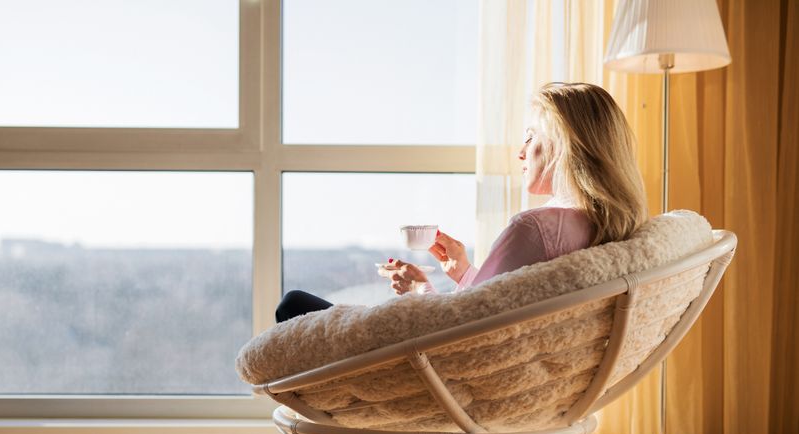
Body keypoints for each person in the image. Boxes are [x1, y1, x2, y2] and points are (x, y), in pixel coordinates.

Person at [276, 82, 647, 323]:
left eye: (531, 137)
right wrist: (463, 273)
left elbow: (460, 330)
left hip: (436, 375)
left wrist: (419, 290)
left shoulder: (535, 228)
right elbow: (490, 309)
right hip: (492, 373)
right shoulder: (601, 228)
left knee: (293, 305)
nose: (519, 152)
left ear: (564, 146)